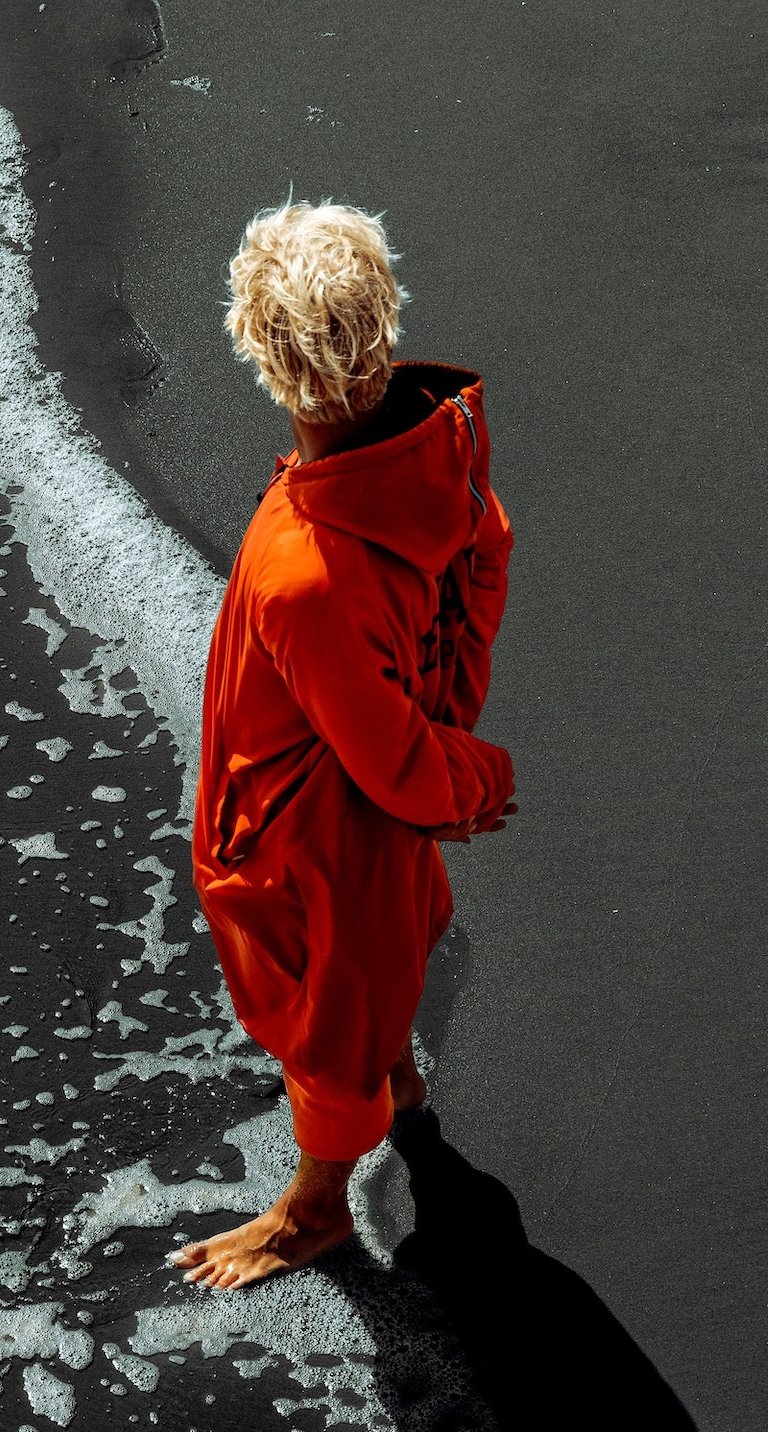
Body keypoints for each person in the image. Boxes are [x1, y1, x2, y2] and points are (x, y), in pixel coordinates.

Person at [170, 202, 518, 1291]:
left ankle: (315, 1208)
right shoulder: (433, 446)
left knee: (322, 1011)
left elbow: (387, 763)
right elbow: (481, 562)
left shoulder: (307, 565)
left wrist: (464, 776)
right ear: (385, 321)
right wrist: (444, 722)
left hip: (320, 817)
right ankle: (402, 1080)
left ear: (261, 350)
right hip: (366, 762)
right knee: (374, 964)